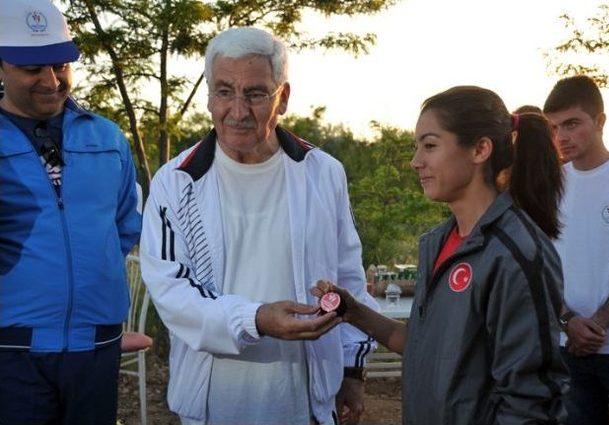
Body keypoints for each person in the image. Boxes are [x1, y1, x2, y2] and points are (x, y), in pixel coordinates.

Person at [140, 27, 377, 425]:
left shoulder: (323, 173)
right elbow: (172, 291)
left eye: (254, 93)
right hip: (214, 403)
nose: (237, 110)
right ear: (209, 96)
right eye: (224, 91)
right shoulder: (175, 182)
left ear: (282, 98)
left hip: (307, 401)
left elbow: (348, 279)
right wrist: (255, 319)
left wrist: (352, 371)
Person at [314, 86, 568, 424]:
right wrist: (353, 310)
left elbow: (531, 401)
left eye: (430, 145)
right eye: (416, 146)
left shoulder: (515, 254)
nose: (416, 161)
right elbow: (421, 345)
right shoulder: (437, 243)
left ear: (480, 149)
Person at [0, 0, 142, 424]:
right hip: (12, 349)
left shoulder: (107, 137)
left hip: (96, 346)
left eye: (61, 66)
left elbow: (123, 224)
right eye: (33, 68)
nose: (51, 81)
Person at [544, 75, 609, 425]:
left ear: (600, 121)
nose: (562, 137)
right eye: (554, 127)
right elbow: (539, 266)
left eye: (572, 124)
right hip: (568, 347)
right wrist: (569, 321)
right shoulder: (549, 186)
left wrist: (597, 324)